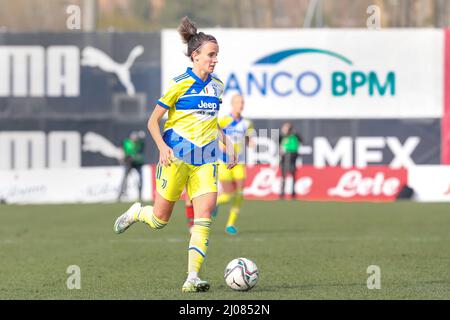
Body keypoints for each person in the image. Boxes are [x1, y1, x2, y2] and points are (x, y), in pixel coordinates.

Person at [113, 17, 236, 293]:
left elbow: (211, 121)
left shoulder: (217, 86)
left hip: (206, 160)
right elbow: (152, 121)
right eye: (211, 55)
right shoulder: (178, 84)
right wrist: (162, 147)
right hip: (175, 158)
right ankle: (136, 213)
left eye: (217, 55)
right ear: (196, 55)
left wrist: (227, 144)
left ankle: (192, 277)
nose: (215, 60)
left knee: (204, 217)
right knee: (159, 220)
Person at [213, 94, 255, 235]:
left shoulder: (247, 123)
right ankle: (216, 203)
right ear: (232, 104)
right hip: (224, 162)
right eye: (238, 102)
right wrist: (221, 145)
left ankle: (230, 224)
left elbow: (248, 138)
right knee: (228, 194)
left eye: (242, 102)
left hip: (240, 162)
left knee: (240, 193)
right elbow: (215, 134)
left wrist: (251, 143)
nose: (241, 104)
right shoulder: (224, 120)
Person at [117, 130, 145, 202]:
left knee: (140, 179)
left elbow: (140, 152)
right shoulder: (126, 142)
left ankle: (140, 196)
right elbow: (121, 150)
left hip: (137, 163)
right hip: (128, 162)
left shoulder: (140, 143)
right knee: (125, 178)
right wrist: (123, 157)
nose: (135, 139)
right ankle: (120, 195)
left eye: (136, 138)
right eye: (133, 138)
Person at [279, 122, 302, 199]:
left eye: (286, 128)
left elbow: (300, 141)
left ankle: (293, 193)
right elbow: (280, 146)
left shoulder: (295, 136)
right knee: (283, 176)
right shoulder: (282, 136)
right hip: (284, 158)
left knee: (293, 176)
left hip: (292, 158)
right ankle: (282, 193)